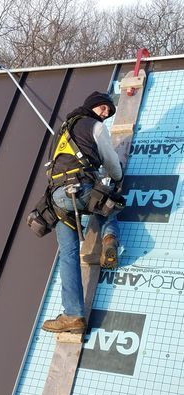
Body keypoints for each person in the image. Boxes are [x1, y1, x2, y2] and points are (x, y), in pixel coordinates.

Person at [42, 91, 123, 334]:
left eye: (108, 112)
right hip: (81, 190)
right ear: (93, 106)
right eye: (104, 109)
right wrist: (117, 179)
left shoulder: (61, 132)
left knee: (68, 254)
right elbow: (110, 161)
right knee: (107, 201)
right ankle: (110, 238)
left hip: (57, 200)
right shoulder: (96, 127)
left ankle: (73, 316)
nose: (106, 114)